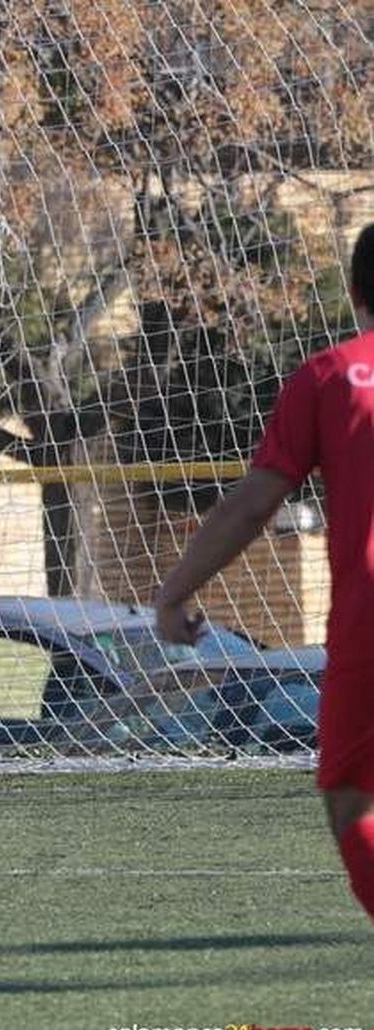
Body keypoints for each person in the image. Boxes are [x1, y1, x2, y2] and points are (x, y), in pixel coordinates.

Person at [154, 222, 374, 922]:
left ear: (354, 291)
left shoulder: (332, 376)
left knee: (352, 799)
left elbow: (254, 505)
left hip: (369, 623)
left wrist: (175, 592)